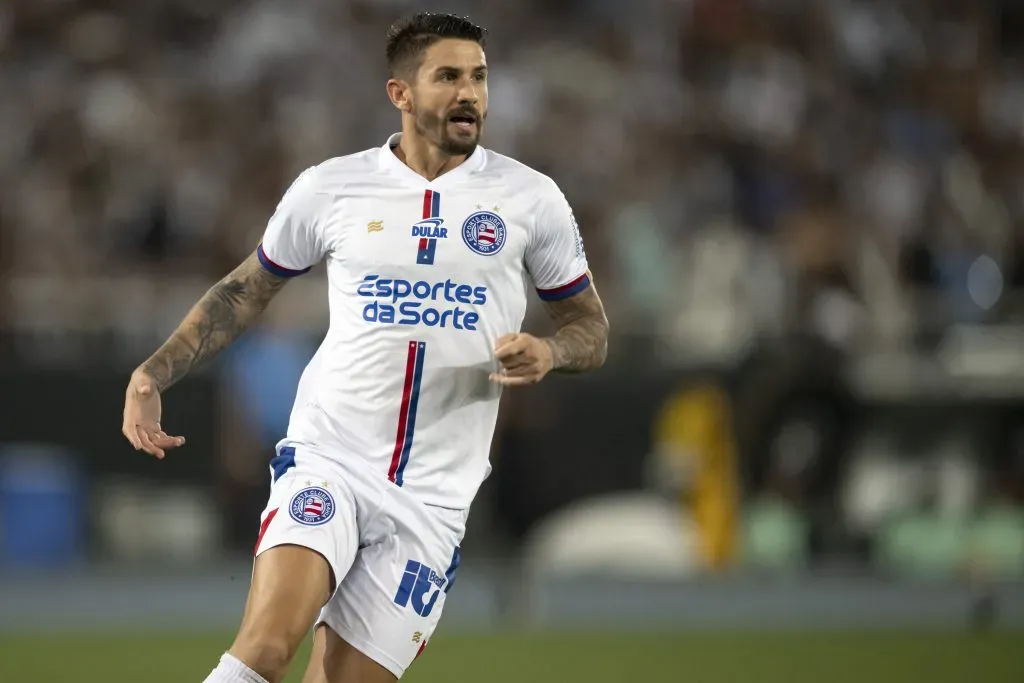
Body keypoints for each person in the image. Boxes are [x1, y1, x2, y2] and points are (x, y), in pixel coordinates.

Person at [120, 12, 609, 683]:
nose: (470, 93)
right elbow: (244, 292)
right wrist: (152, 370)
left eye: (479, 77)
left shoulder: (532, 200)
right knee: (264, 647)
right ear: (400, 93)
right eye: (448, 77)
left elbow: (591, 329)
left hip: (434, 497)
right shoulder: (331, 187)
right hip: (332, 457)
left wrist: (552, 353)